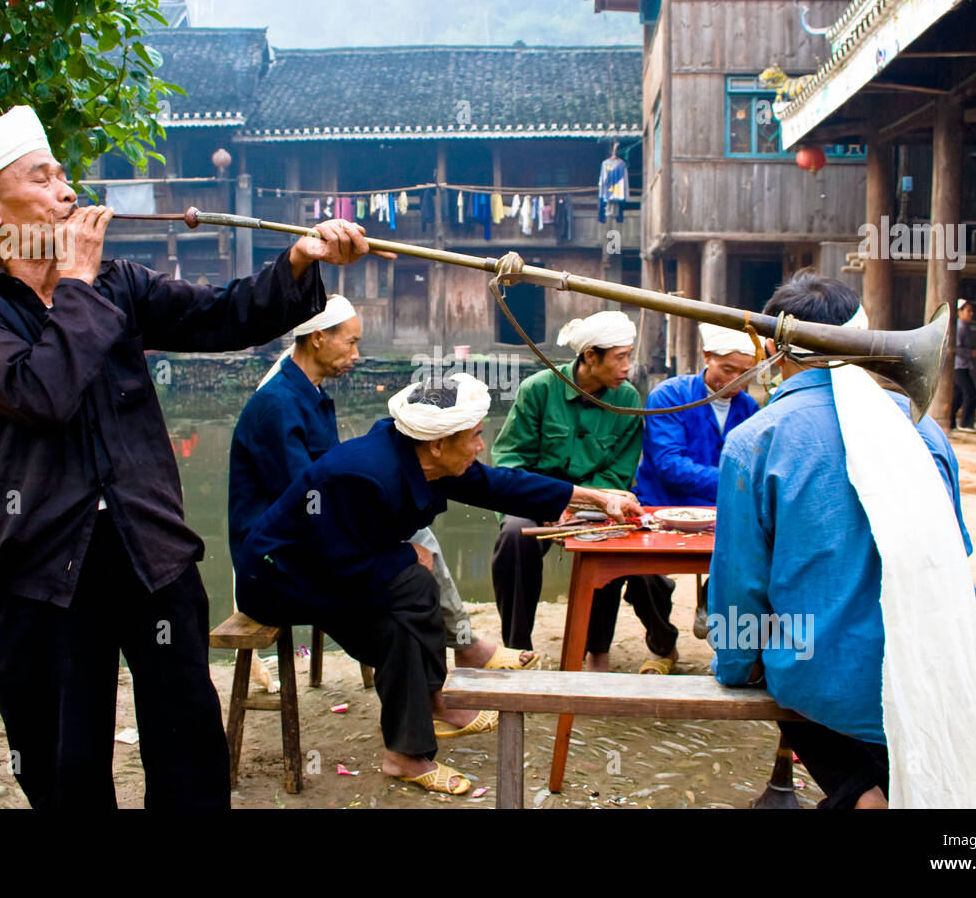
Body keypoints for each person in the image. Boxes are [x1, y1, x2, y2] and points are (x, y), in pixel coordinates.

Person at [0, 103, 386, 809]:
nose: (67, 192)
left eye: (63, 176)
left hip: (148, 548)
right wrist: (76, 286)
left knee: (188, 745)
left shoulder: (122, 285)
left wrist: (300, 260)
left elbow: (225, 315)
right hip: (39, 564)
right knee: (64, 762)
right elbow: (40, 392)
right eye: (43, 178)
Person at [233, 374, 641, 794]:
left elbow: (500, 485)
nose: (481, 446)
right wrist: (407, 555)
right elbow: (334, 560)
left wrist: (595, 497)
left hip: (334, 567)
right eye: (476, 436)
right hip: (278, 578)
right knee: (410, 591)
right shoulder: (363, 476)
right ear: (438, 443)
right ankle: (424, 717)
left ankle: (412, 739)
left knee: (408, 607)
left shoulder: (426, 458)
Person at [709, 271, 976, 809]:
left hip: (832, 680)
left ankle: (864, 796)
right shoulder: (922, 429)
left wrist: (735, 664)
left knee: (801, 658)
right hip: (954, 661)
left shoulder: (756, 439)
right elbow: (957, 550)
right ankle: (870, 792)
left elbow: (739, 587)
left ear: (769, 346)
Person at [228, 296, 535, 671]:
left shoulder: (311, 394)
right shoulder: (278, 406)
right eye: (351, 342)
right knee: (415, 545)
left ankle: (451, 655)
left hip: (313, 532)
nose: (357, 353)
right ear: (319, 338)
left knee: (416, 539)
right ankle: (451, 657)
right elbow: (305, 499)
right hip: (280, 553)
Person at [490, 311, 675, 674]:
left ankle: (597, 649)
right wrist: (549, 500)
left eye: (629, 355)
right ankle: (518, 647)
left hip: (598, 502)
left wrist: (583, 502)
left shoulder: (626, 398)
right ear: (591, 356)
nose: (628, 366)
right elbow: (510, 461)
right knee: (514, 535)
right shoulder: (539, 389)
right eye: (620, 356)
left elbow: (619, 472)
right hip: (537, 500)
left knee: (611, 540)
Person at [634, 322, 759, 640]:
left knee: (754, 556)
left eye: (746, 372)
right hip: (662, 505)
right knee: (643, 577)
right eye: (728, 369)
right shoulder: (670, 395)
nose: (735, 381)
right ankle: (662, 640)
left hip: (722, 511)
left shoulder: (749, 408)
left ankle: (718, 614)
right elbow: (668, 464)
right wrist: (735, 483)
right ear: (707, 357)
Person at [950, 298, 976, 431]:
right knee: (970, 393)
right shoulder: (959, 327)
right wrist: (969, 353)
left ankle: (951, 421)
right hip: (958, 365)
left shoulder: (964, 327)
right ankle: (965, 423)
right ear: (959, 312)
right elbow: (954, 347)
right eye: (968, 311)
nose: (971, 313)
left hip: (962, 365)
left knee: (958, 394)